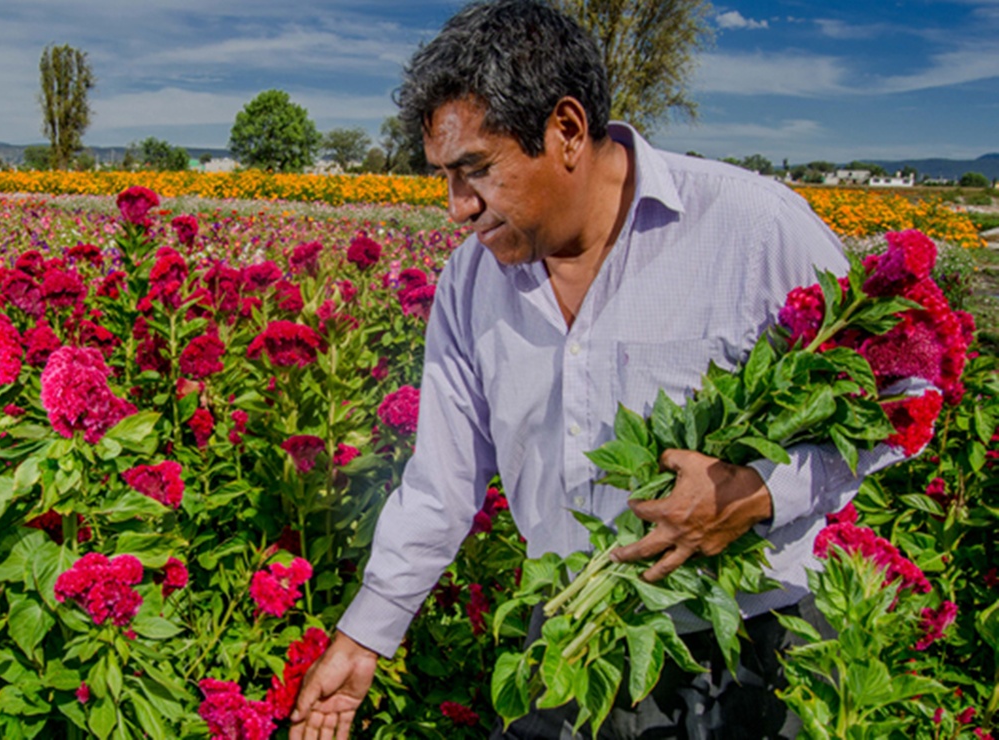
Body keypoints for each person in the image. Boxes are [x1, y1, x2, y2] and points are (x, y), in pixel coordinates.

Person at [289, 1, 907, 737]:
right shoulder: (470, 281)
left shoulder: (751, 228)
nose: (456, 208)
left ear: (567, 130)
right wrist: (365, 635)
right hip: (570, 637)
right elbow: (440, 483)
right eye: (443, 177)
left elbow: (901, 400)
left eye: (475, 171)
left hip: (748, 647)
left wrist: (762, 492)